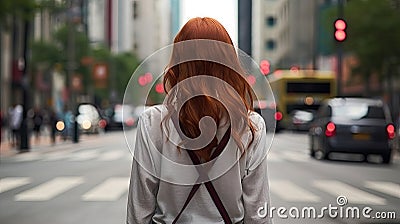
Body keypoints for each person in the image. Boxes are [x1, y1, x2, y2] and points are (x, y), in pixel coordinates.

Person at [127, 17, 272, 223]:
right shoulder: (250, 125)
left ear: (178, 63)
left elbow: (139, 210)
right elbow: (259, 216)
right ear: (229, 63)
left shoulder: (153, 122)